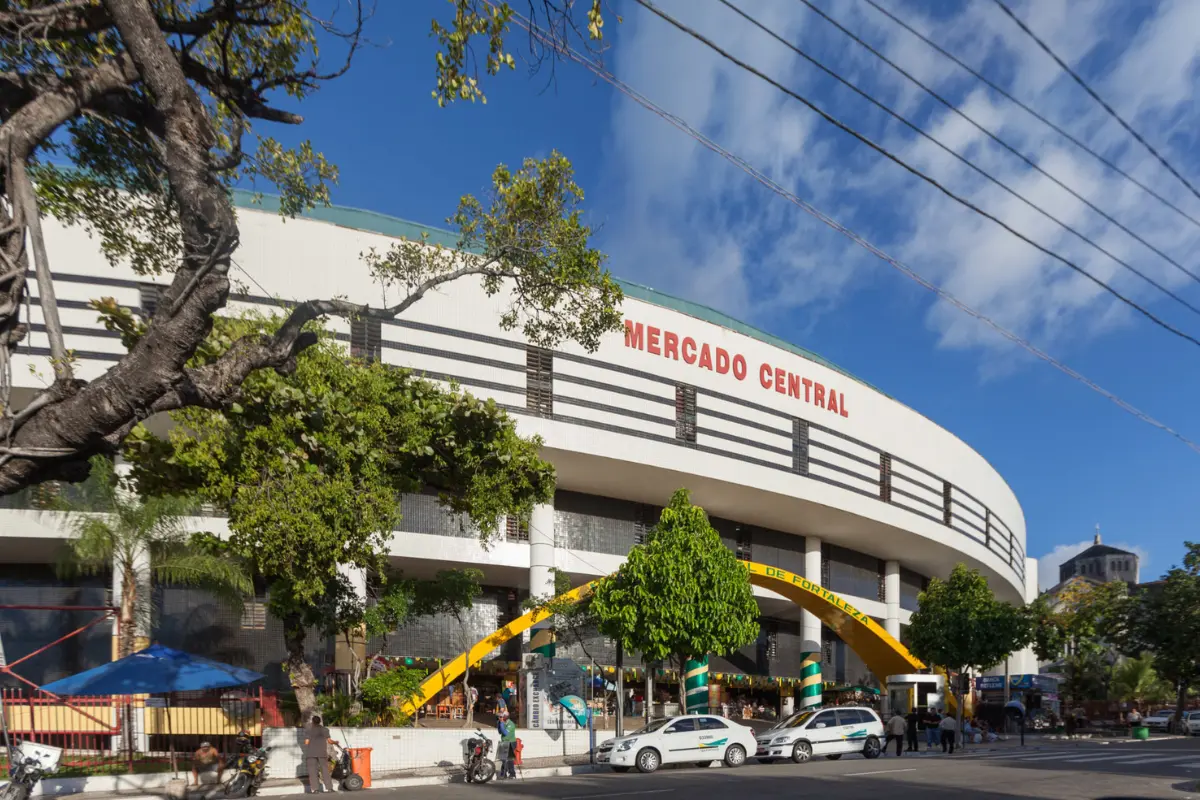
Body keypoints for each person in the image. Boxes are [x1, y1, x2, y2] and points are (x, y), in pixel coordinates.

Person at [303, 715, 336, 794]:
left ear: (313, 721)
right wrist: (336, 742)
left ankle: (315, 789)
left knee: (312, 771)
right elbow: (330, 741)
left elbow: (306, 742)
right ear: (320, 721)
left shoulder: (309, 730)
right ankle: (329, 788)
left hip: (311, 753)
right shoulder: (325, 730)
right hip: (322, 753)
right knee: (325, 770)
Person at [497, 710, 518, 780]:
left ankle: (512, 774)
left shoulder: (511, 724)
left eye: (501, 716)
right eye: (500, 716)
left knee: (509, 759)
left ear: (505, 717)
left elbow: (505, 733)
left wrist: (502, 723)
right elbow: (500, 732)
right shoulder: (503, 723)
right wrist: (499, 723)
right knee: (503, 759)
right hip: (504, 742)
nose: (500, 718)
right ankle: (504, 774)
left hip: (511, 742)